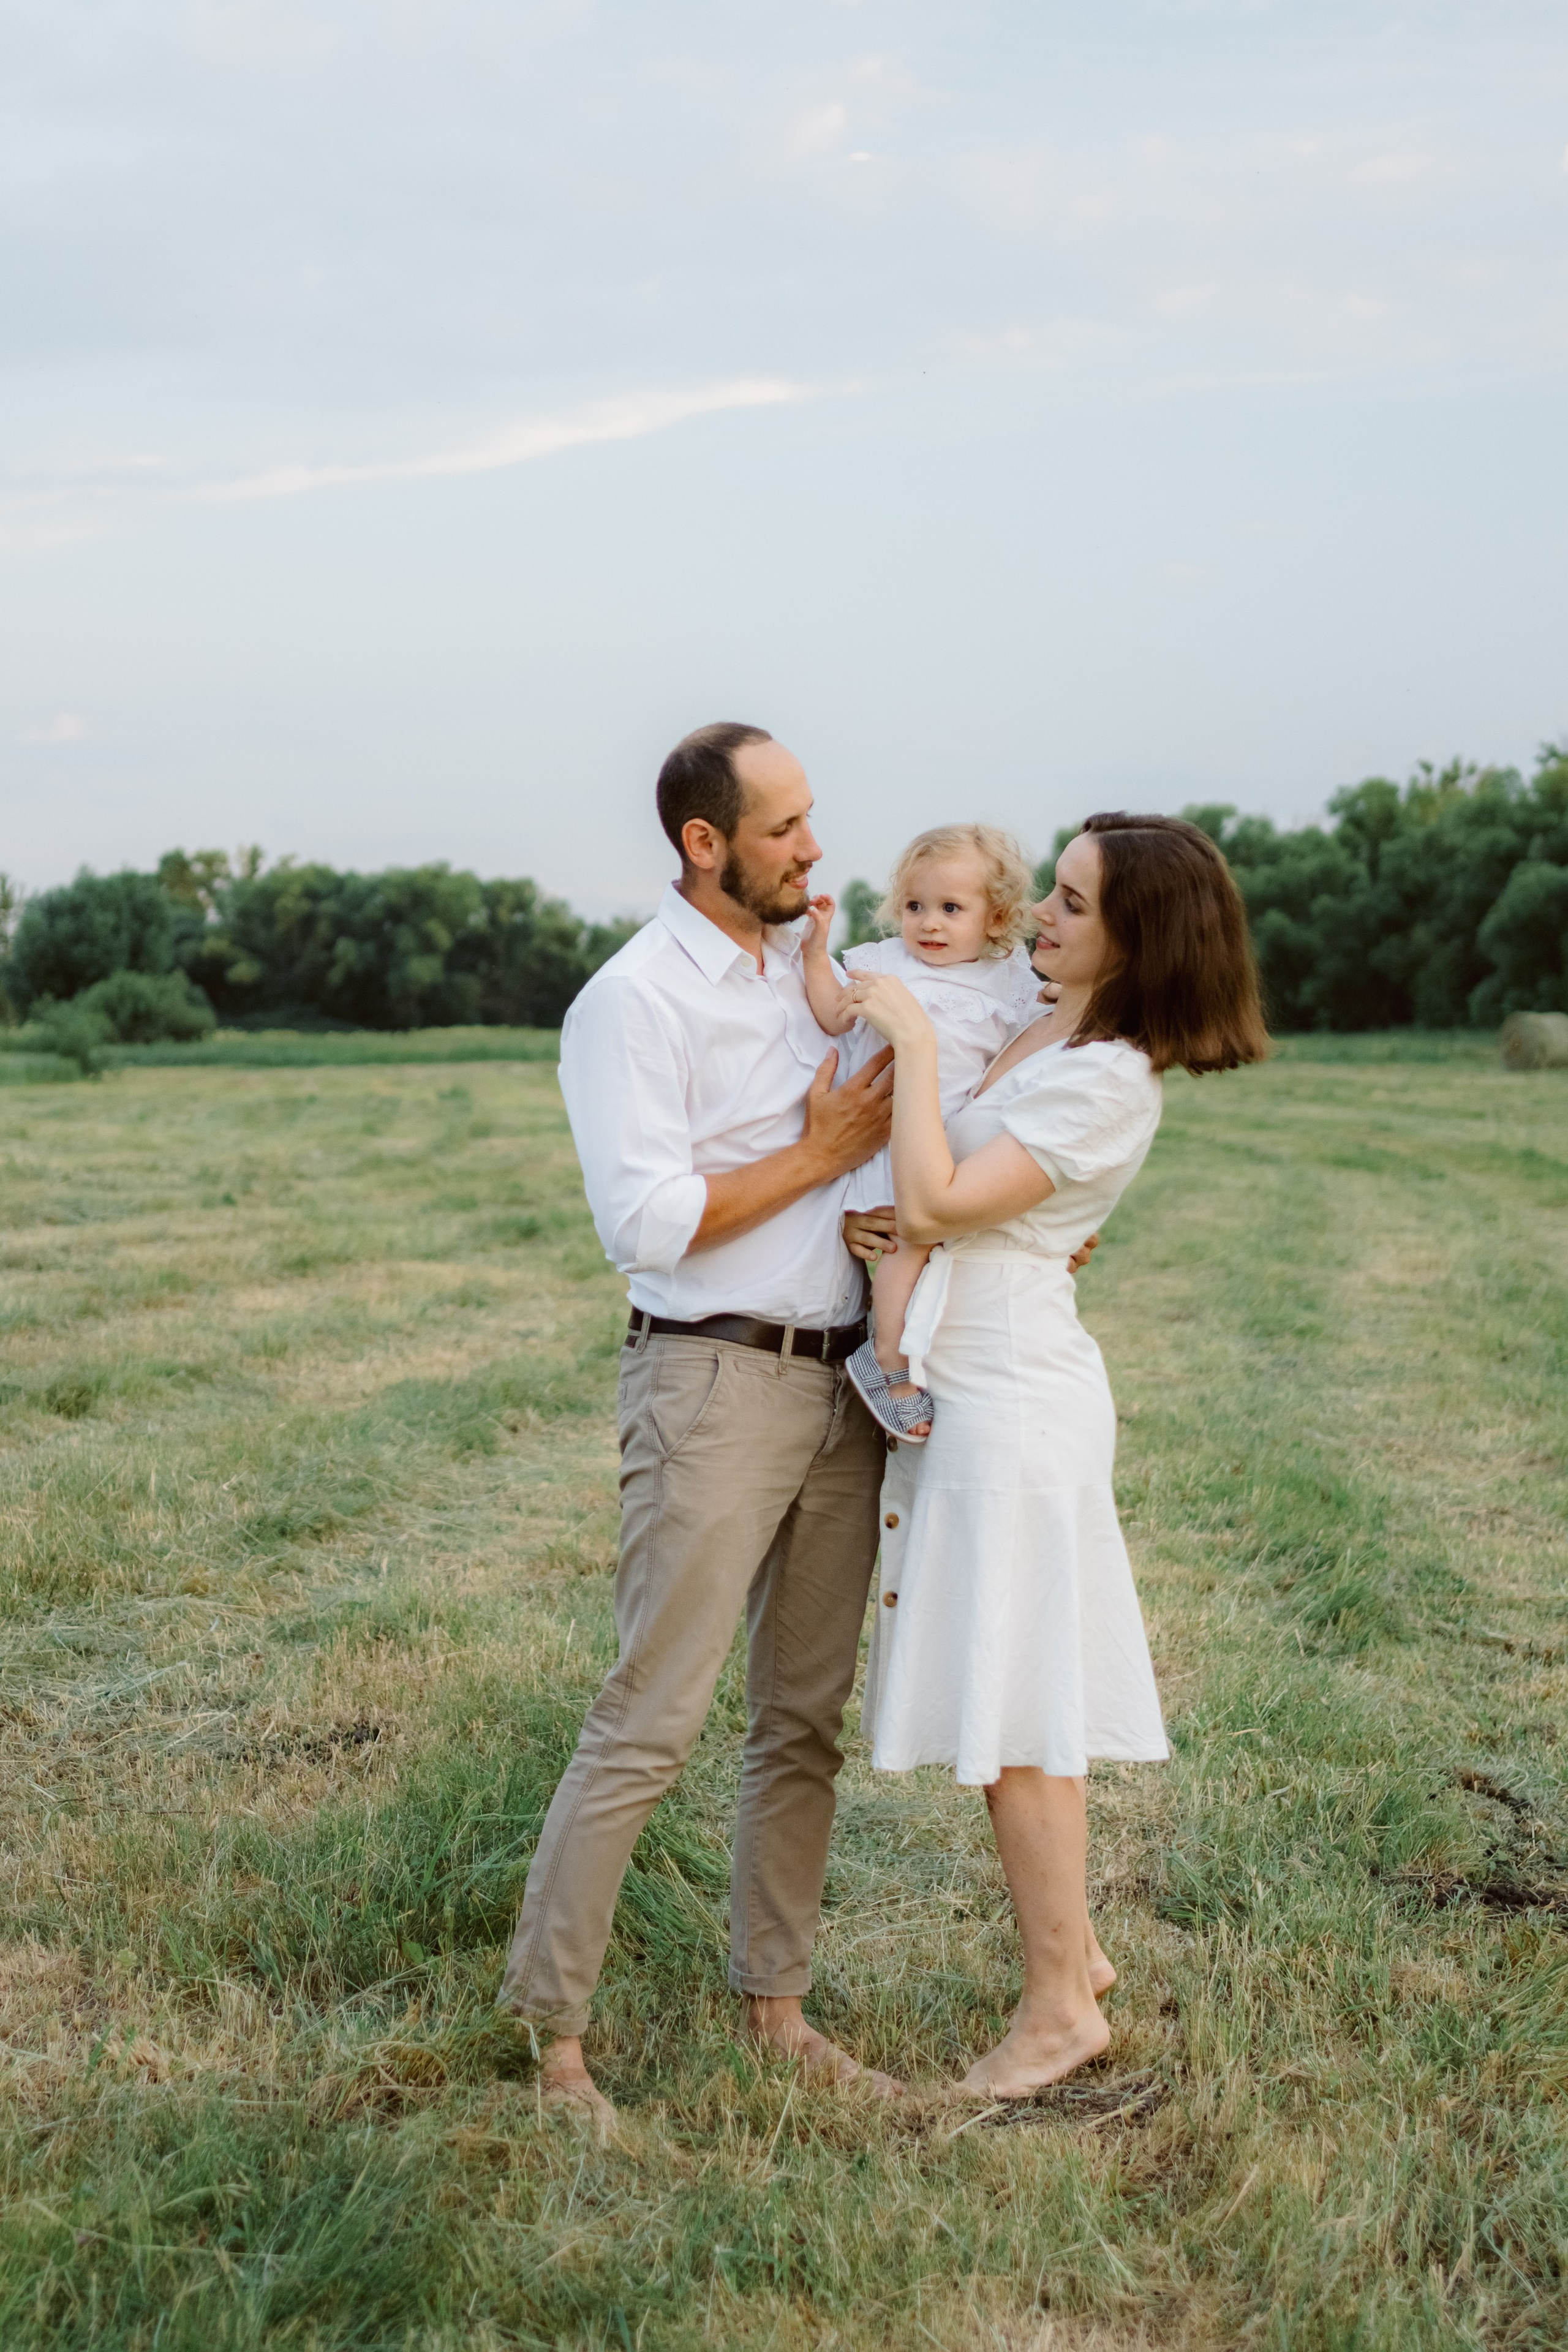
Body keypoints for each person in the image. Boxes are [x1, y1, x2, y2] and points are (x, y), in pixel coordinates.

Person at [496, 720, 900, 2124]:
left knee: (800, 1722)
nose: (813, 846)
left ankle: (773, 2007)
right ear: (703, 843)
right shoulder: (631, 1001)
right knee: (648, 1719)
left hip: (842, 1381)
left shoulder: (812, 978)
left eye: (809, 817)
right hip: (711, 1382)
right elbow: (651, 1221)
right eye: (785, 826)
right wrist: (820, 1157)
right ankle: (553, 2041)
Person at [849, 812, 1269, 2098]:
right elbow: (942, 1200)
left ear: (1137, 940)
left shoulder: (1105, 1076)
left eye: (1073, 905)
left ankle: (1053, 2016)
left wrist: (912, 1044)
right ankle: (1072, 1957)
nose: (1042, 917)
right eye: (1057, 895)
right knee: (1000, 1684)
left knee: (1022, 1711)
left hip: (1013, 1402)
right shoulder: (1042, 1030)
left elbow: (936, 1199)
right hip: (970, 1377)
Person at [799, 824, 1042, 1442]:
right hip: (897, 1145)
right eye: (914, 907)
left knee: (950, 1260)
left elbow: (1036, 1048)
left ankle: (932, 1359)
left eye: (951, 909)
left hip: (965, 1144)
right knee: (909, 1249)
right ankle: (887, 1361)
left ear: (998, 918)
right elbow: (832, 1014)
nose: (928, 924)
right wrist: (814, 951)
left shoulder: (1011, 982)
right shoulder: (887, 968)